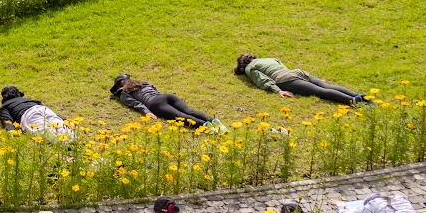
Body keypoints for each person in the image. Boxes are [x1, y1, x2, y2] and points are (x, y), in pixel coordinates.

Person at [235, 53, 368, 106]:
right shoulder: (268, 59)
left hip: (284, 79)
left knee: (320, 92)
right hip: (297, 72)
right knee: (327, 86)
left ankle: (354, 101)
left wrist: (277, 90)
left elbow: (262, 80)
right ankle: (360, 96)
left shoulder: (250, 68)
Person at [111, 74, 216, 128]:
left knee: (180, 116)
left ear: (119, 85)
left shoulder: (124, 92)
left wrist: (147, 112)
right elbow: (155, 89)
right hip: (166, 96)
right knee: (190, 111)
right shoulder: (142, 83)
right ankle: (214, 121)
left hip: (154, 103)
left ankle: (207, 127)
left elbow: (136, 104)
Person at [0, 85, 72, 138]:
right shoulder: (29, 100)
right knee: (60, 126)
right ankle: (74, 139)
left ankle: (66, 144)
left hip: (29, 114)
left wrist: (12, 131)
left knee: (45, 134)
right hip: (42, 109)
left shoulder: (5, 106)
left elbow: (7, 121)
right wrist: (64, 120)